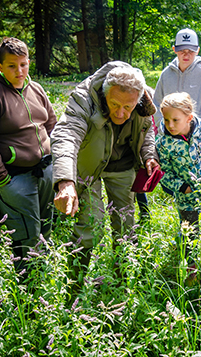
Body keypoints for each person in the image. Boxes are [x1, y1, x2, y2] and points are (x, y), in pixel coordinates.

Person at [52, 61, 159, 290]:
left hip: (123, 165)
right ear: (104, 94)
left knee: (125, 226)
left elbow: (146, 128)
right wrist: (66, 182)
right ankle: (75, 287)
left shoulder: (143, 98)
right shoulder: (84, 97)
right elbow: (66, 136)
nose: (121, 113)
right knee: (91, 227)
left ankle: (122, 283)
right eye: (114, 104)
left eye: (128, 107)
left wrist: (149, 155)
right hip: (88, 167)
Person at [0, 37, 57, 275]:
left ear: (29, 62)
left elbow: (52, 125)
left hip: (45, 171)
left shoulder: (37, 89)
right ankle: (26, 284)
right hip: (15, 178)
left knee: (46, 224)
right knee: (24, 233)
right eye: (12, 65)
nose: (19, 71)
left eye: (23, 64)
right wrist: (2, 180)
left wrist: (56, 163)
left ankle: (45, 274)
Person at [156, 92, 201, 244]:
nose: (170, 125)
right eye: (166, 119)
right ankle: (191, 262)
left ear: (189, 118)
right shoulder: (163, 143)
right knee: (189, 231)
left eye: (175, 120)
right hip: (186, 196)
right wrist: (182, 187)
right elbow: (162, 172)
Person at [153, 28, 201, 123]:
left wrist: (200, 130)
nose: (186, 55)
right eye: (182, 51)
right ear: (174, 49)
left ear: (198, 50)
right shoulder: (166, 74)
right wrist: (163, 126)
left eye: (191, 51)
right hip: (169, 131)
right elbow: (157, 104)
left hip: (197, 134)